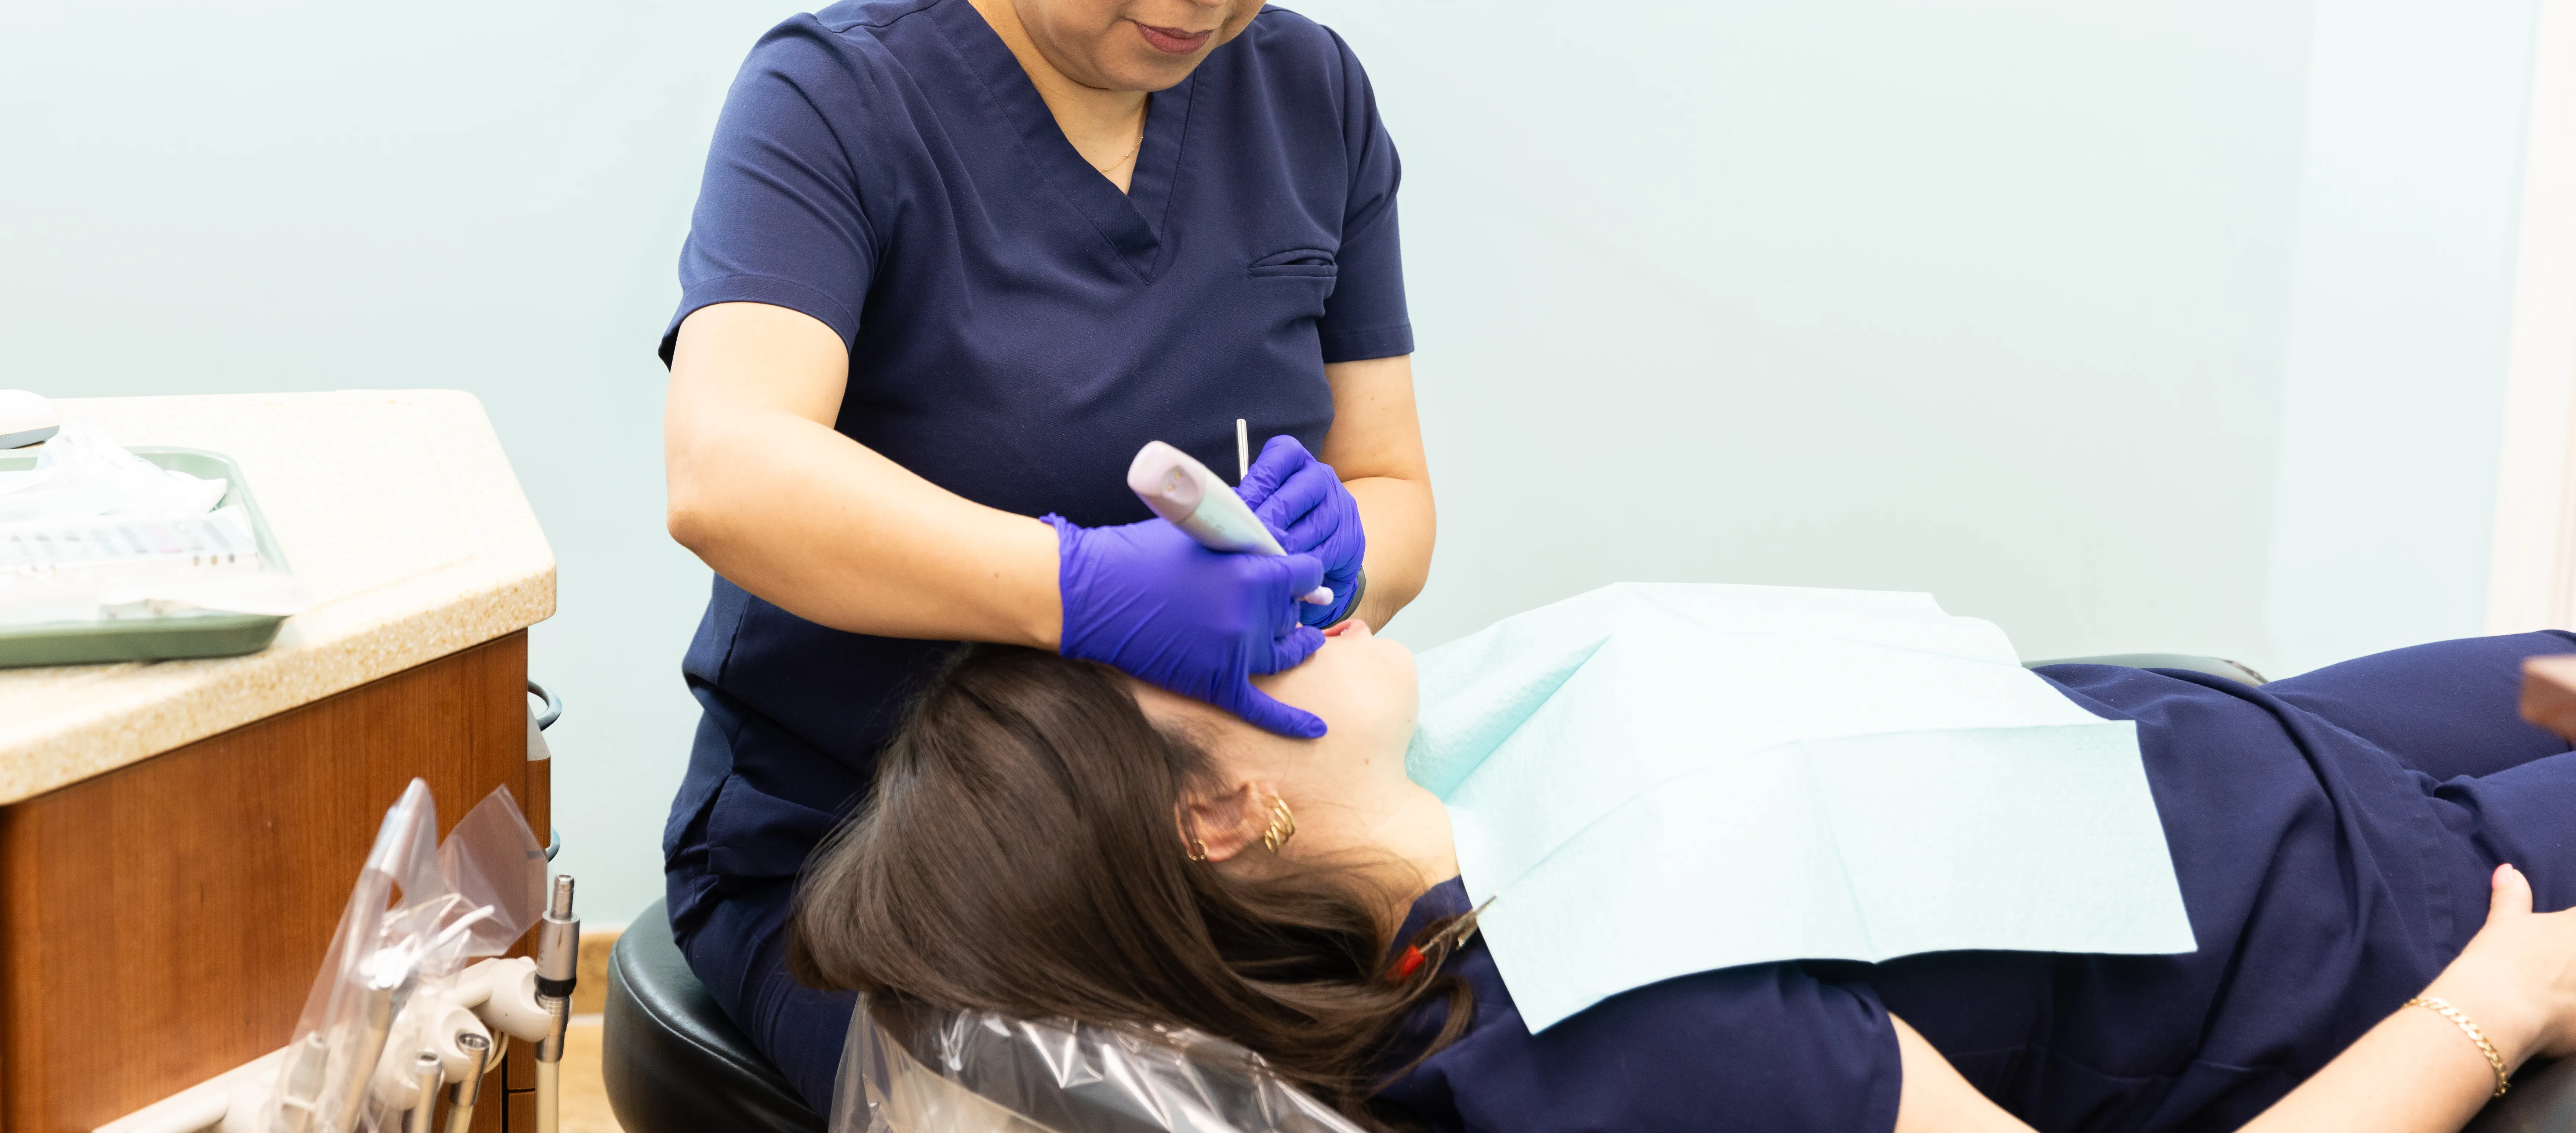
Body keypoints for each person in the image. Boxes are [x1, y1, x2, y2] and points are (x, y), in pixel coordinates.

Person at [656, 0, 1436, 1106]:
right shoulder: (835, 105)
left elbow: (1395, 487)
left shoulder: (1312, 102)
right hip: (883, 864)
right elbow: (729, 475)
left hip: (1215, 852)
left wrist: (1343, 556)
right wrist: (1082, 594)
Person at [791, 619, 2576, 1133]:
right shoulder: (1646, 1044)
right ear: (1217, 819)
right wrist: (2490, 1014)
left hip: (2251, 758)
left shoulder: (1468, 815)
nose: (1247, 589)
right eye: (1183, 643)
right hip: (2388, 920)